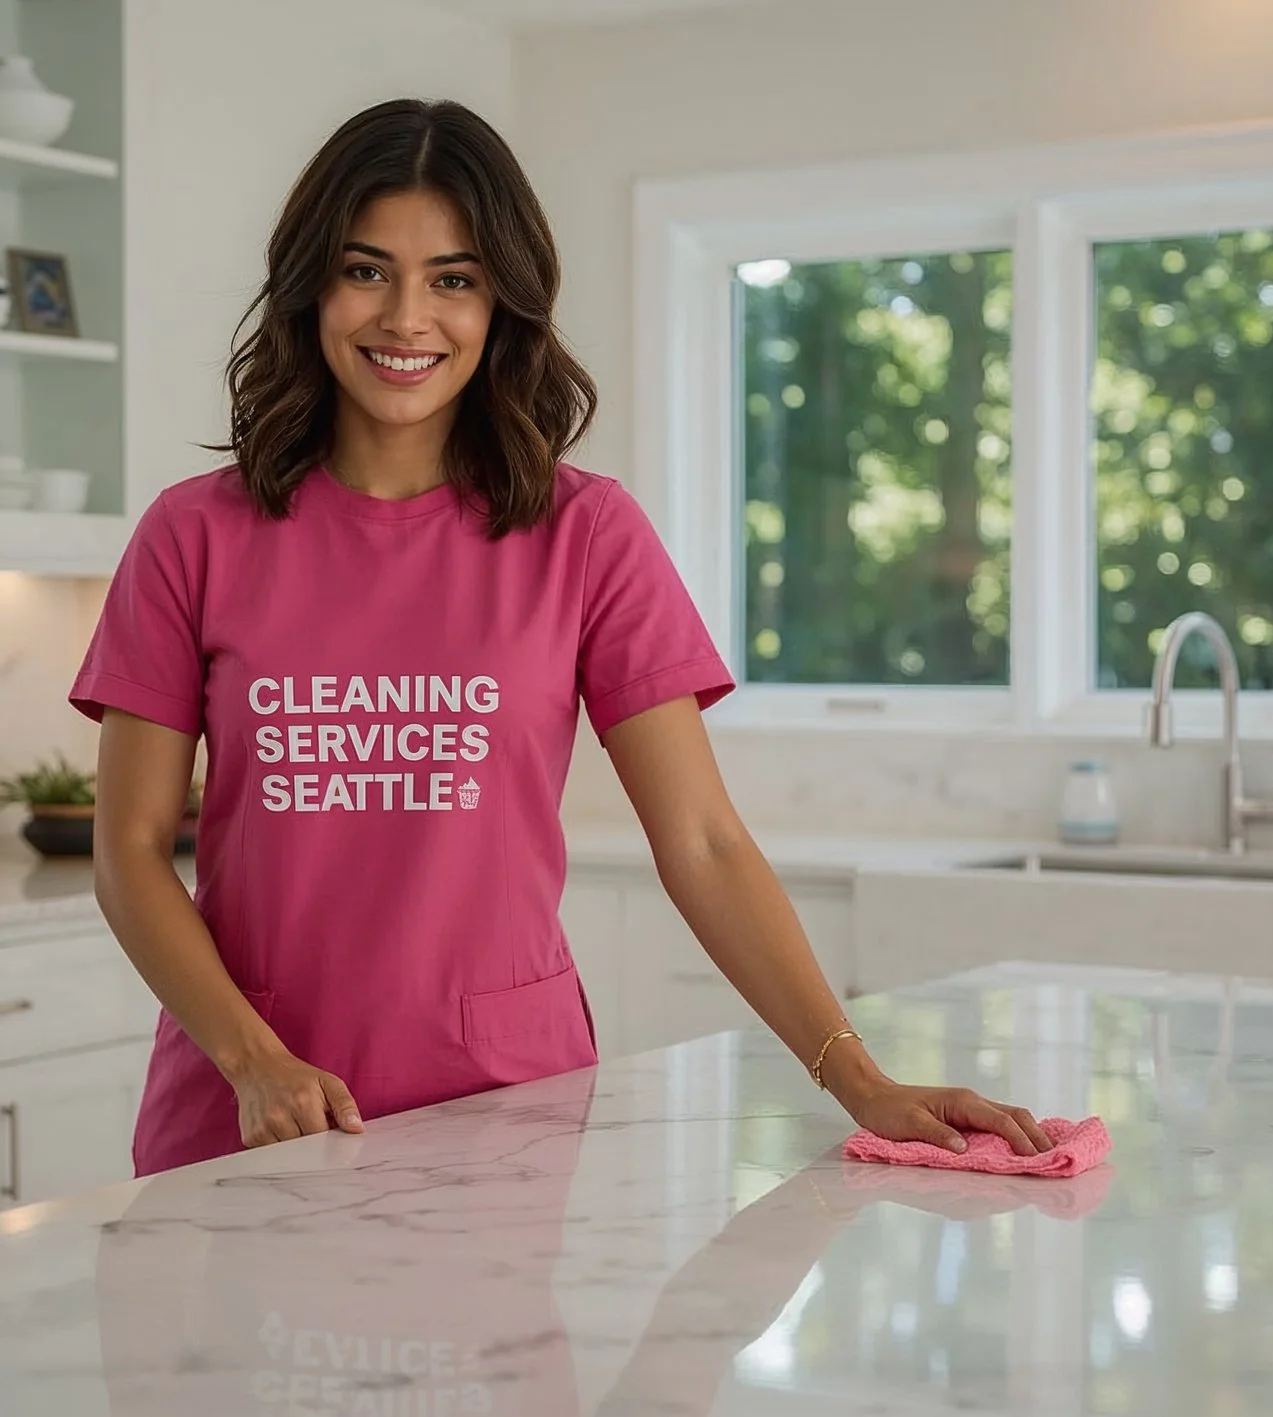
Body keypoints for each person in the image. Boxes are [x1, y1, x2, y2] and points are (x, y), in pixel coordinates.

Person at [70, 97, 1054, 1176]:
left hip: (497, 1110)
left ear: (504, 305)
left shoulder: (585, 534)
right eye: (366, 270)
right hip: (244, 1110)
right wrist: (252, 1058)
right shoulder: (194, 534)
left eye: (454, 278)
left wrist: (862, 1080)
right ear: (310, 282)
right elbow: (128, 849)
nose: (406, 316)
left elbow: (704, 844)